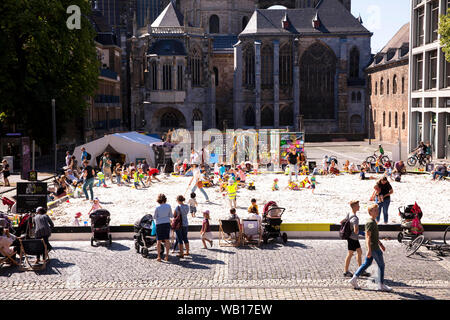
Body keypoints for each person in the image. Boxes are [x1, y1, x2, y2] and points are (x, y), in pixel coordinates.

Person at [349, 204, 392, 292]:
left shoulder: (373, 221)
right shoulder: (370, 223)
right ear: (370, 212)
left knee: (367, 263)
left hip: (374, 246)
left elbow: (374, 236)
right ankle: (381, 284)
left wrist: (381, 244)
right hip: (373, 248)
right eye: (375, 210)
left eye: (377, 210)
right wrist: (369, 250)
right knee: (381, 265)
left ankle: (354, 279)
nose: (377, 211)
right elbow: (368, 237)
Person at [341, 200, 370, 278]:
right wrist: (363, 233)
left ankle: (360, 270)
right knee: (350, 254)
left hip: (351, 238)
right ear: (354, 207)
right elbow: (356, 230)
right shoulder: (355, 218)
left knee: (359, 252)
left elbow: (342, 221)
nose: (359, 206)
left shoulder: (349, 213)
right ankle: (346, 271)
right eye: (358, 205)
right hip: (353, 238)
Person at [154, 194, 172, 262]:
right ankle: (166, 256)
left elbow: (154, 217)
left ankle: (159, 256)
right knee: (167, 240)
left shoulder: (157, 207)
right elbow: (171, 215)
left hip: (159, 224)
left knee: (159, 241)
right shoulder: (168, 206)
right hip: (167, 223)